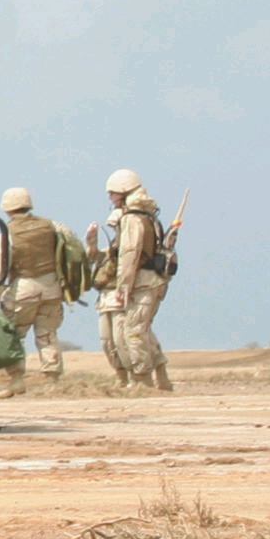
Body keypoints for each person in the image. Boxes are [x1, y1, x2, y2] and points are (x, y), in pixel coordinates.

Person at [92, 168, 175, 394]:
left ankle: (142, 381)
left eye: (112, 193)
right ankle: (161, 379)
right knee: (140, 330)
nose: (110, 198)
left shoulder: (131, 218)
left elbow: (130, 255)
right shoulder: (148, 216)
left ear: (123, 192)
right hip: (150, 281)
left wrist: (123, 287)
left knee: (133, 332)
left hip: (142, 283)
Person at [0, 187, 70, 394]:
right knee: (48, 335)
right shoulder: (51, 226)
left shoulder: (8, 232)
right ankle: (53, 382)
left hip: (23, 290)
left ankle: (17, 380)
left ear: (6, 208)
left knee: (13, 336)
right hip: (52, 288)